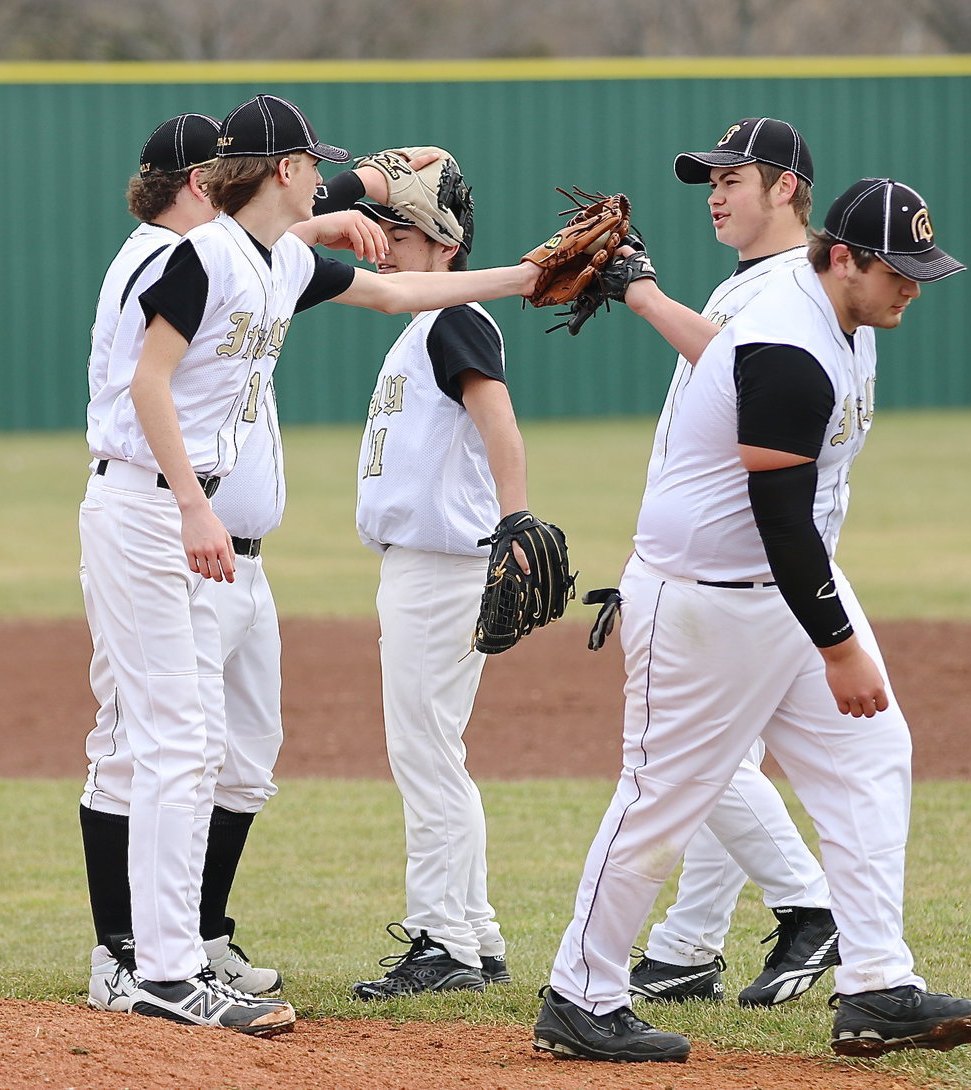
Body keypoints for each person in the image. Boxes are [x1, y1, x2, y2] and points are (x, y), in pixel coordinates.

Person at [79, 92, 539, 1034]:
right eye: (307, 163)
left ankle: (176, 960)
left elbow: (401, 292)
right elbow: (147, 382)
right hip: (150, 509)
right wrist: (198, 505)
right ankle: (161, 971)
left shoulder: (277, 259)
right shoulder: (198, 257)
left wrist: (522, 278)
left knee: (199, 748)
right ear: (283, 170)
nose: (317, 174)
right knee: (173, 745)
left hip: (178, 513)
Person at [533, 178, 971, 1062]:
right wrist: (840, 647)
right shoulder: (791, 340)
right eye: (897, 269)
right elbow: (778, 515)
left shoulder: (844, 314)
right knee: (662, 798)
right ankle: (579, 996)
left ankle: (874, 985)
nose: (912, 286)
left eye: (921, 271)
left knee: (871, 758)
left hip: (781, 582)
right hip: (709, 598)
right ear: (842, 257)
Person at [629, 119, 839, 1010]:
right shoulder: (754, 282)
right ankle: (686, 948)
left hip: (741, 567)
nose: (716, 192)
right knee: (725, 755)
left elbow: (742, 372)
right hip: (728, 561)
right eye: (709, 179)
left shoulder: (800, 287)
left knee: (686, 758)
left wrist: (641, 294)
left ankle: (811, 906)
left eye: (735, 177)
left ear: (787, 185)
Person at [347, 150, 530, 999]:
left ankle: (441, 940)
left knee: (424, 754)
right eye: (385, 226)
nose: (384, 242)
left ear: (446, 246)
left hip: (441, 567)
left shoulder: (455, 318)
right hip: (425, 566)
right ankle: (475, 934)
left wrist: (516, 518)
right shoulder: (423, 320)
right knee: (434, 751)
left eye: (402, 230)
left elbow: (498, 420)